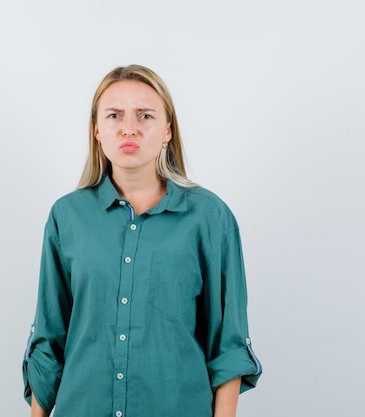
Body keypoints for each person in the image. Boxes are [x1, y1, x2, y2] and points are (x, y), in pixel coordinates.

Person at [22, 65, 262, 417]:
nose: (129, 128)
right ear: (97, 131)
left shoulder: (210, 218)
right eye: (114, 115)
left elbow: (228, 346)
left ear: (167, 131)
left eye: (145, 115)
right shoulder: (67, 217)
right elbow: (49, 340)